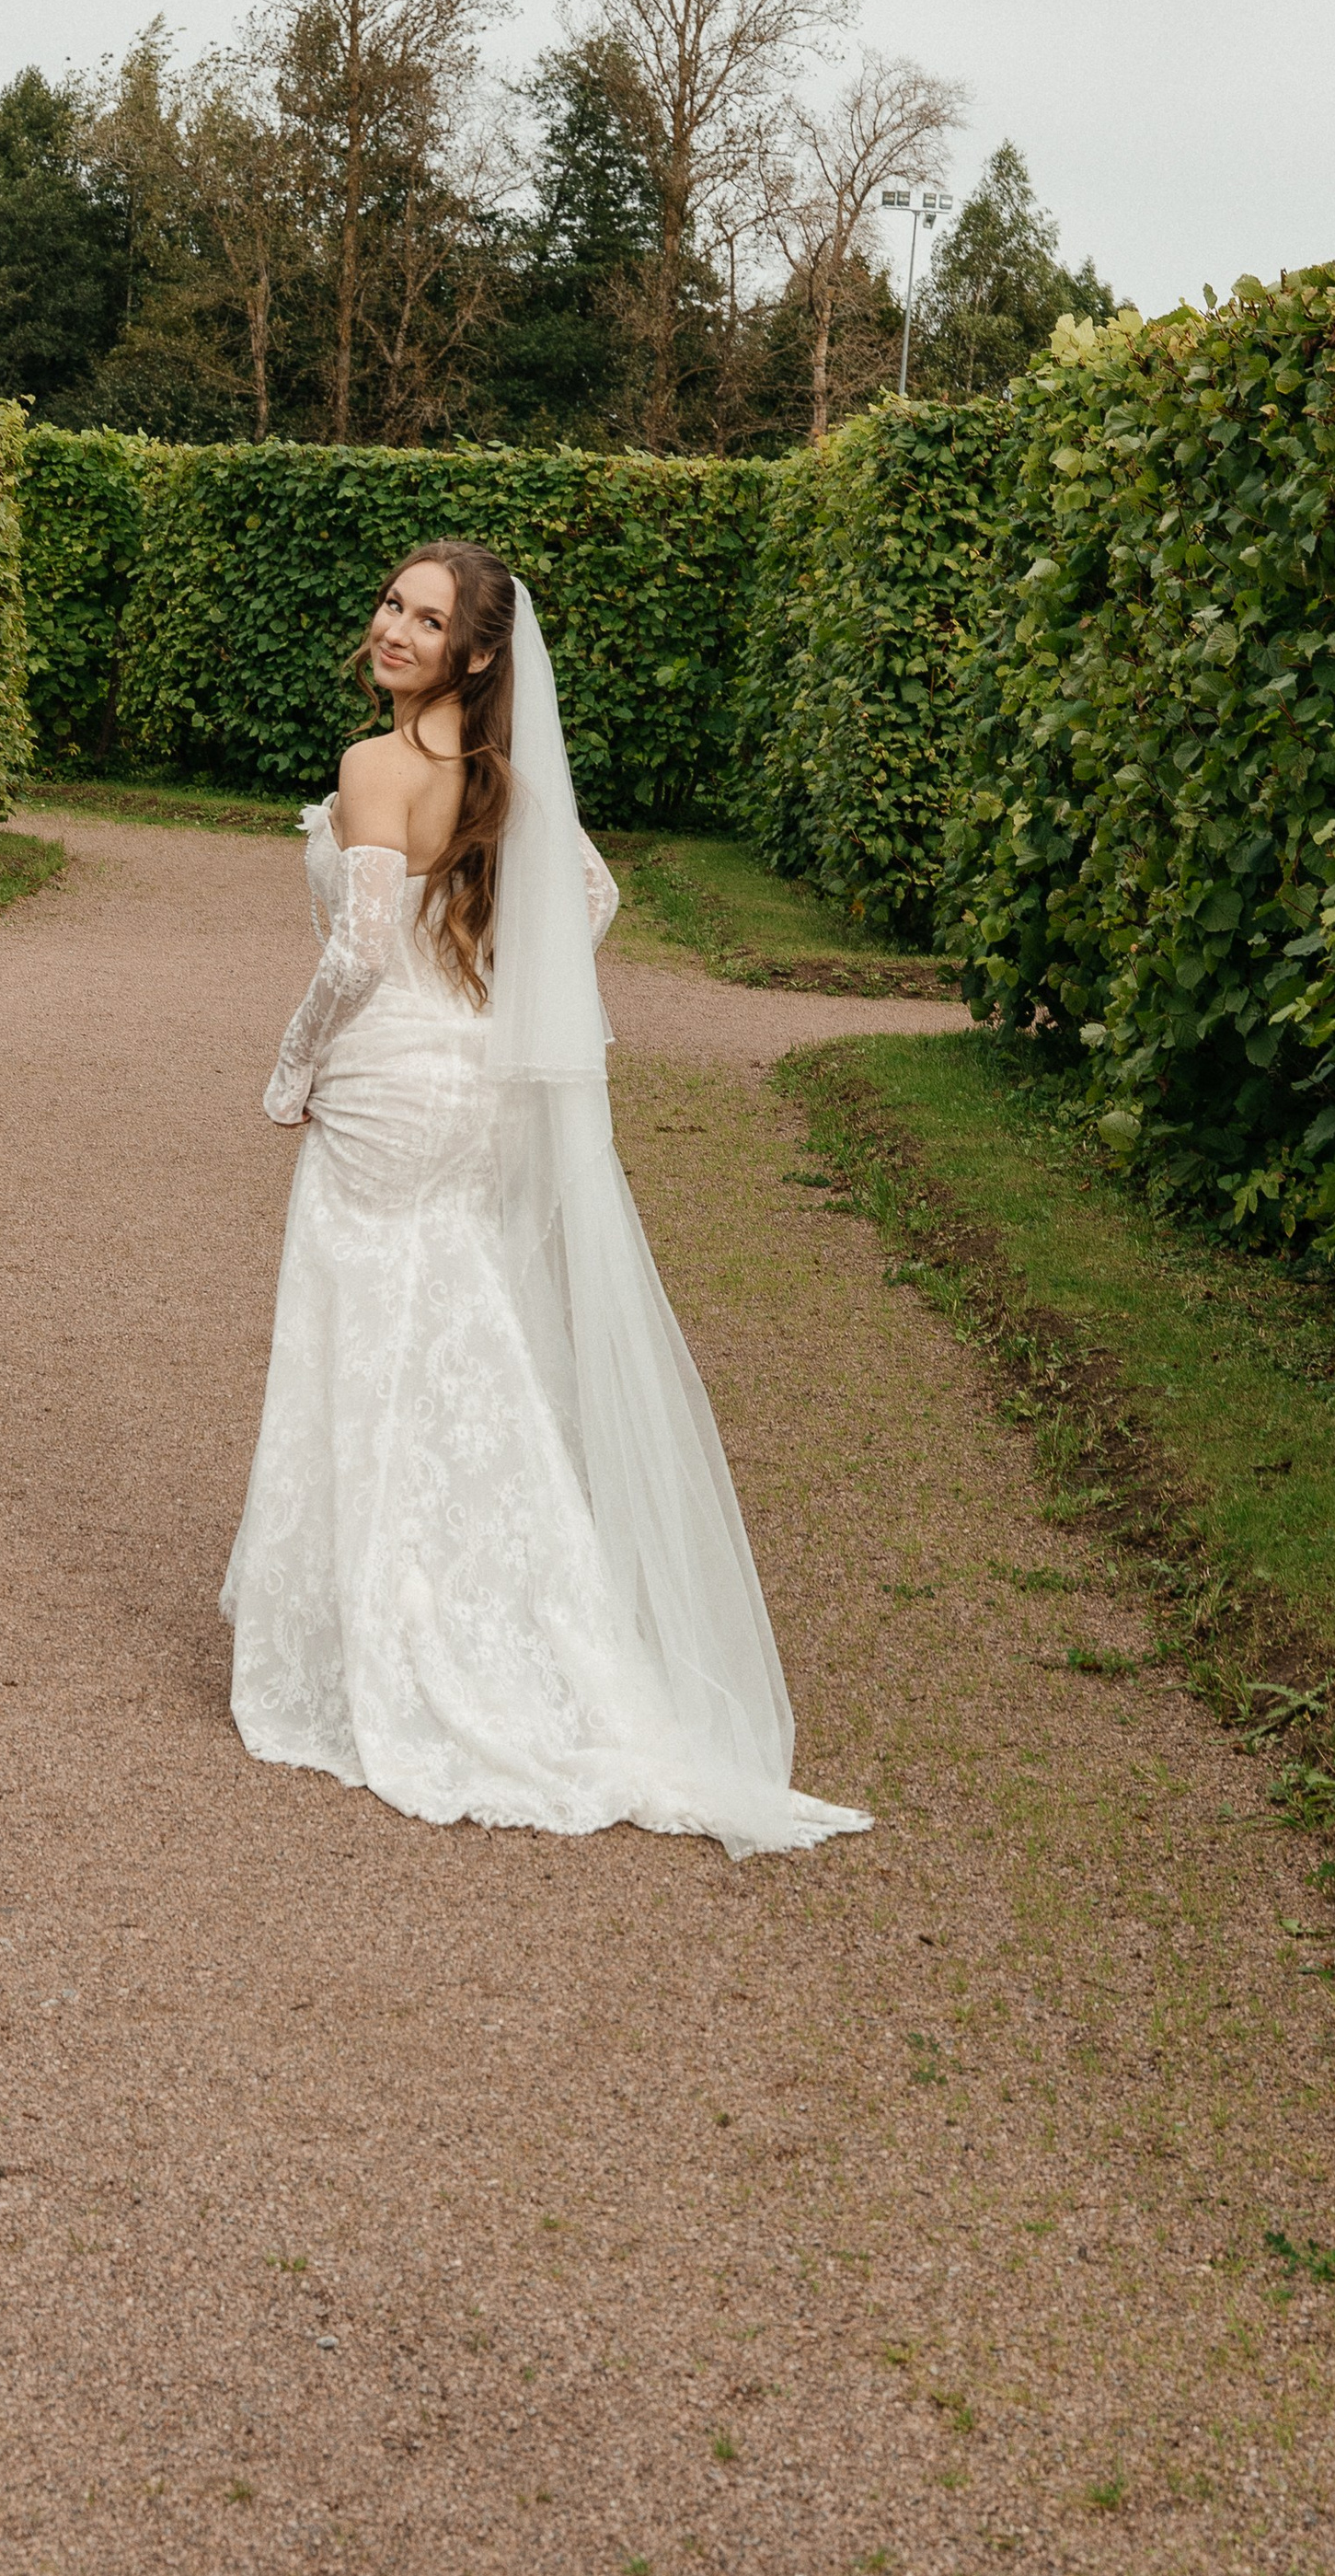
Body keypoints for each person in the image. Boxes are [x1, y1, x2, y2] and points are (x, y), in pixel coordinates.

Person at [221, 541, 868, 1860]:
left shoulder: (372, 767)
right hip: (476, 1085)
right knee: (460, 1329)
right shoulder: (507, 782)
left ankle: (379, 1623)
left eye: (427, 618)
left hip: (386, 1088)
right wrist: (496, 990)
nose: (394, 627)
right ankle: (509, 1604)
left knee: (366, 1325)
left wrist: (290, 1070)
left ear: (471, 654)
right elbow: (594, 895)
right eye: (392, 601)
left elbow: (352, 952)